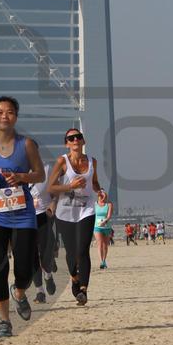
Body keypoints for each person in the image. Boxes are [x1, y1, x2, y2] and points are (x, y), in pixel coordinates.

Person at [0, 96, 44, 338]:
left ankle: (20, 292)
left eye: (10, 111)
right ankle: (4, 321)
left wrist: (22, 177)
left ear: (16, 117)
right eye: (0, 112)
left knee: (25, 268)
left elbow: (40, 174)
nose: (5, 115)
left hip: (23, 214)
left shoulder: (27, 145)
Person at [48, 128, 101, 306]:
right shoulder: (62, 161)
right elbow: (51, 187)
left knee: (83, 250)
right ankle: (74, 278)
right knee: (71, 252)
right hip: (65, 212)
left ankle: (83, 290)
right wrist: (70, 186)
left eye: (78, 137)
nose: (75, 140)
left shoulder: (92, 161)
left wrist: (100, 191)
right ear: (67, 144)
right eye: (71, 138)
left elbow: (94, 183)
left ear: (83, 141)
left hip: (86, 210)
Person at [30, 162, 57, 303]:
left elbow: (56, 191)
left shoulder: (46, 169)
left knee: (45, 253)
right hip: (26, 218)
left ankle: (48, 274)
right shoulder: (16, 171)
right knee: (32, 255)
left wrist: (54, 203)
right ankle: (40, 291)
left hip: (44, 215)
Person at [94, 190, 113, 269]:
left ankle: (104, 260)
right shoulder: (95, 204)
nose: (101, 195)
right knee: (100, 244)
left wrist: (104, 221)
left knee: (105, 245)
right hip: (97, 227)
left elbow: (109, 216)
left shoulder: (109, 204)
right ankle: (101, 261)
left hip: (106, 226)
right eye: (100, 194)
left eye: (103, 193)